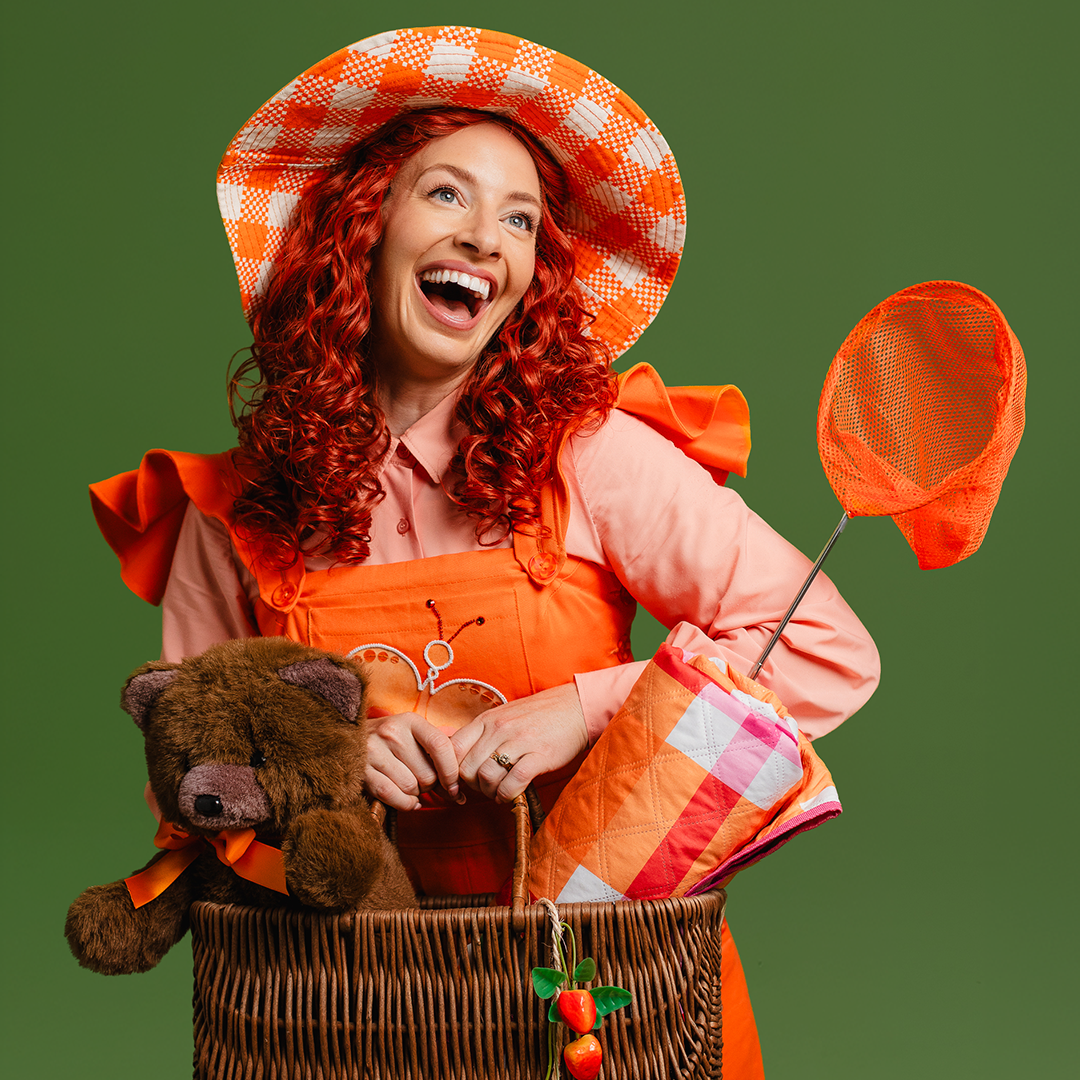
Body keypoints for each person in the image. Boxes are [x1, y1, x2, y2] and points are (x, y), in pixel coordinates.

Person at [90, 27, 879, 1077]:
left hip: (600, 1015)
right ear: (361, 226)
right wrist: (320, 773)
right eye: (449, 196)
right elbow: (187, 786)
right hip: (343, 1021)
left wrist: (588, 709)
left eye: (521, 220)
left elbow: (826, 647)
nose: (488, 239)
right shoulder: (233, 511)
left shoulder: (592, 458)